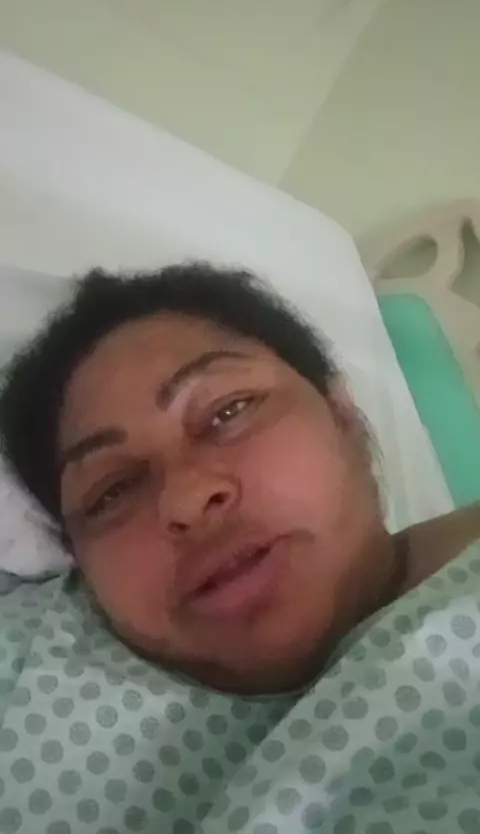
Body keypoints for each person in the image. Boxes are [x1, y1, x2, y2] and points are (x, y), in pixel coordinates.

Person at [0, 262, 478, 698]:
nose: (186, 499)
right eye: (113, 490)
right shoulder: (33, 664)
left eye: (228, 411)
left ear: (342, 415)